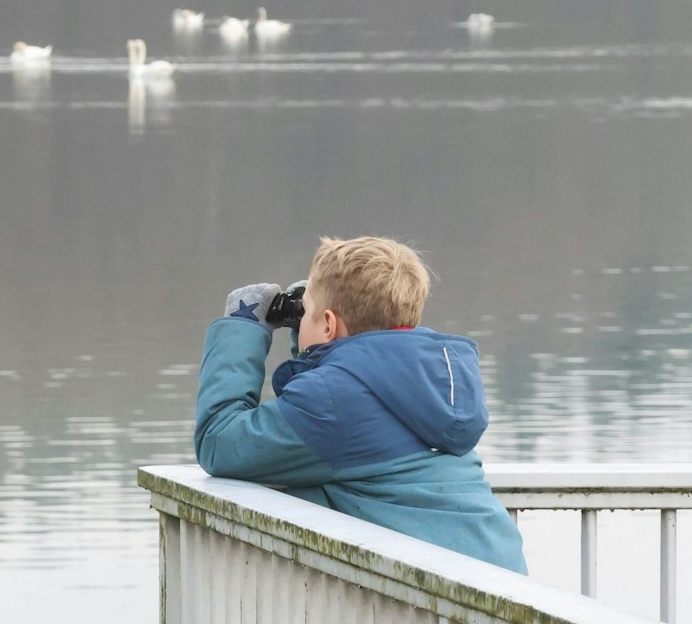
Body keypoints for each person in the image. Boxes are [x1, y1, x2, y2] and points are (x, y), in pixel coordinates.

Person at [194, 236, 527, 573]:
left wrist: (242, 325)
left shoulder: (330, 403)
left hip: (438, 606)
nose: (300, 317)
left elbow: (218, 442)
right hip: (504, 586)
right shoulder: (440, 381)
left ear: (327, 323)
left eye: (304, 311)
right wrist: (314, 340)